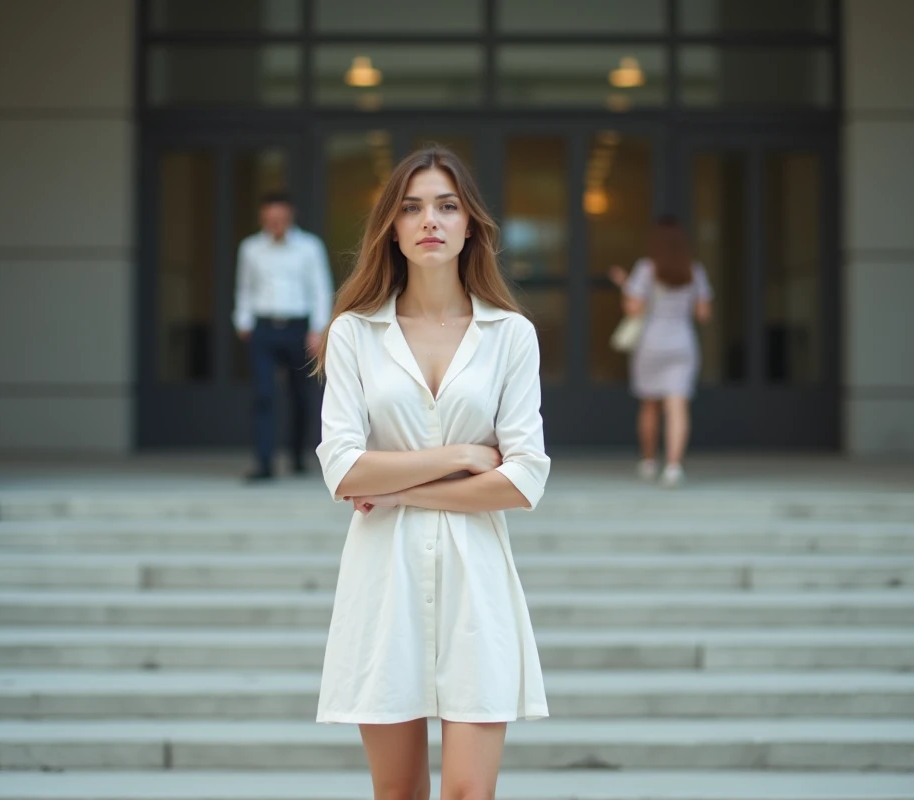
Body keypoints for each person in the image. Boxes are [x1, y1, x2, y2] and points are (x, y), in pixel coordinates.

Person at [313, 146, 550, 799]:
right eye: (412, 207)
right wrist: (461, 457)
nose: (430, 221)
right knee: (397, 795)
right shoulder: (355, 334)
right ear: (391, 226)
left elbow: (525, 479)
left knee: (469, 794)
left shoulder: (510, 336)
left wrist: (393, 485)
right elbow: (341, 467)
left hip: (478, 581)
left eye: (447, 206)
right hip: (381, 582)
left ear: (471, 223)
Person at [233, 192, 333, 482]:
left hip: (299, 328)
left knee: (301, 396)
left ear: (290, 216)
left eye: (280, 218)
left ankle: (298, 456)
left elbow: (320, 288)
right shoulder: (250, 248)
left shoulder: (309, 247)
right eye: (269, 219)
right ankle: (264, 463)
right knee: (263, 395)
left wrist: (317, 329)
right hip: (262, 327)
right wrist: (243, 320)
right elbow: (244, 287)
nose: (275, 224)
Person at [608, 216, 713, 488]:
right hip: (682, 343)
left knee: (650, 405)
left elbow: (633, 309)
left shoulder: (645, 269)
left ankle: (649, 461)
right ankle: (674, 467)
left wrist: (624, 287)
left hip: (651, 344)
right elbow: (703, 314)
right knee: (677, 406)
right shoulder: (695, 270)